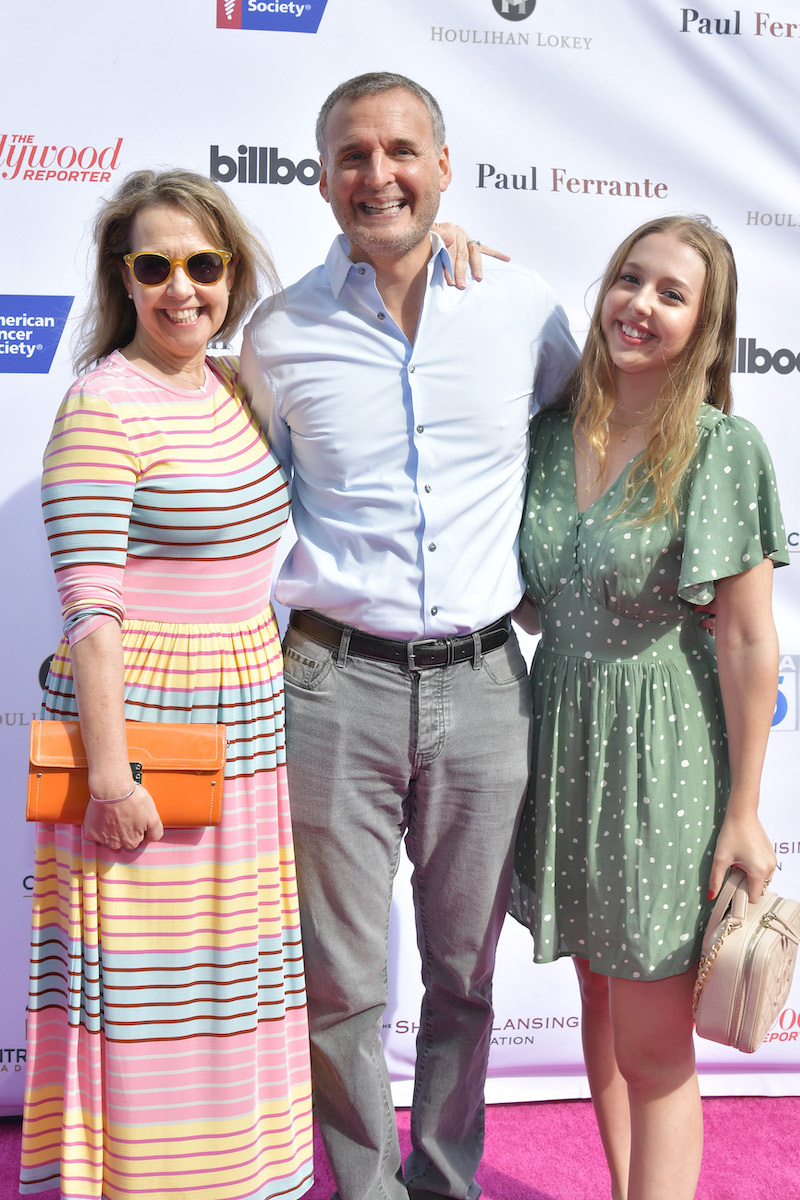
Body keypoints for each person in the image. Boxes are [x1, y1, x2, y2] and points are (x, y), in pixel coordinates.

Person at [241, 71, 578, 1200]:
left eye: (398, 151)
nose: (374, 173)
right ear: (321, 174)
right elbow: (249, 506)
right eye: (349, 154)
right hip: (330, 684)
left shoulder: (522, 307)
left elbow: (574, 456)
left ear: (442, 166)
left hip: (488, 685)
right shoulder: (279, 334)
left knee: (466, 973)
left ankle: (441, 1178)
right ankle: (366, 1187)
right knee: (338, 980)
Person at [20, 169, 314, 1200]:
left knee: (226, 984)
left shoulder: (229, 385)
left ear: (231, 271)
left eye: (203, 263)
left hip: (240, 719)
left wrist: (436, 246)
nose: (181, 287)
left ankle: (236, 1179)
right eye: (154, 266)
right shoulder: (103, 404)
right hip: (146, 735)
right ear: (124, 277)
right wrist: (110, 781)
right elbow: (91, 618)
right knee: (148, 993)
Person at [510, 215, 788, 1200]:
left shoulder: (719, 449)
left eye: (671, 294)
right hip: (561, 744)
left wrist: (744, 809)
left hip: (663, 758)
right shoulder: (546, 437)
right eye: (629, 279)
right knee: (595, 995)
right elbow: (531, 598)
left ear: (706, 329)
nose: (638, 305)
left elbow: (750, 640)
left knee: (653, 1043)